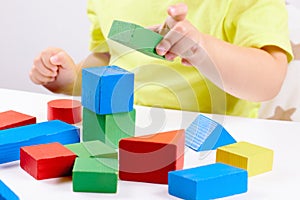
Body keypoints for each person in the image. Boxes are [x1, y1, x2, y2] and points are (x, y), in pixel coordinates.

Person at [29, 0, 293, 118]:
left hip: (213, 144)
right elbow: (109, 58)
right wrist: (72, 79)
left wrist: (201, 48)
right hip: (128, 133)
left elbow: (267, 81)